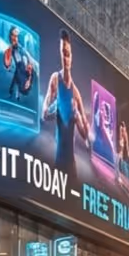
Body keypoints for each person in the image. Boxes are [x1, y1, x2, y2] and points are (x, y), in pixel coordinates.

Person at [41, 29, 90, 178]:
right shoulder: (55, 79)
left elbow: (84, 134)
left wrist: (80, 120)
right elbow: (44, 115)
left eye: (67, 53)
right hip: (58, 161)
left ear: (72, 56)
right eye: (63, 53)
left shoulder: (76, 94)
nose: (65, 58)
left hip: (71, 164)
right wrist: (52, 109)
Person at [2, 24, 38, 101]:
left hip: (22, 66)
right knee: (16, 80)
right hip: (19, 66)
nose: (15, 38)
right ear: (10, 36)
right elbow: (8, 61)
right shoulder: (10, 49)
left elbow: (28, 59)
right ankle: (13, 94)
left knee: (16, 80)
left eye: (16, 36)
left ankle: (14, 94)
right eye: (13, 35)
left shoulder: (21, 48)